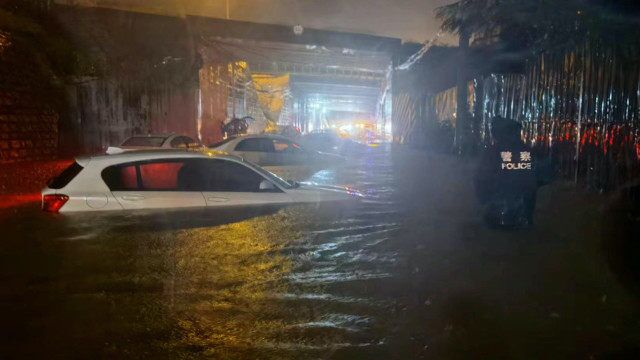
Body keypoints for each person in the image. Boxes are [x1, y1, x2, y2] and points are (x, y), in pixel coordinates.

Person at [474, 117, 539, 228]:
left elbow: (481, 177)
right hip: (519, 207)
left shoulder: (494, 151)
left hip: (503, 204)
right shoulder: (525, 151)